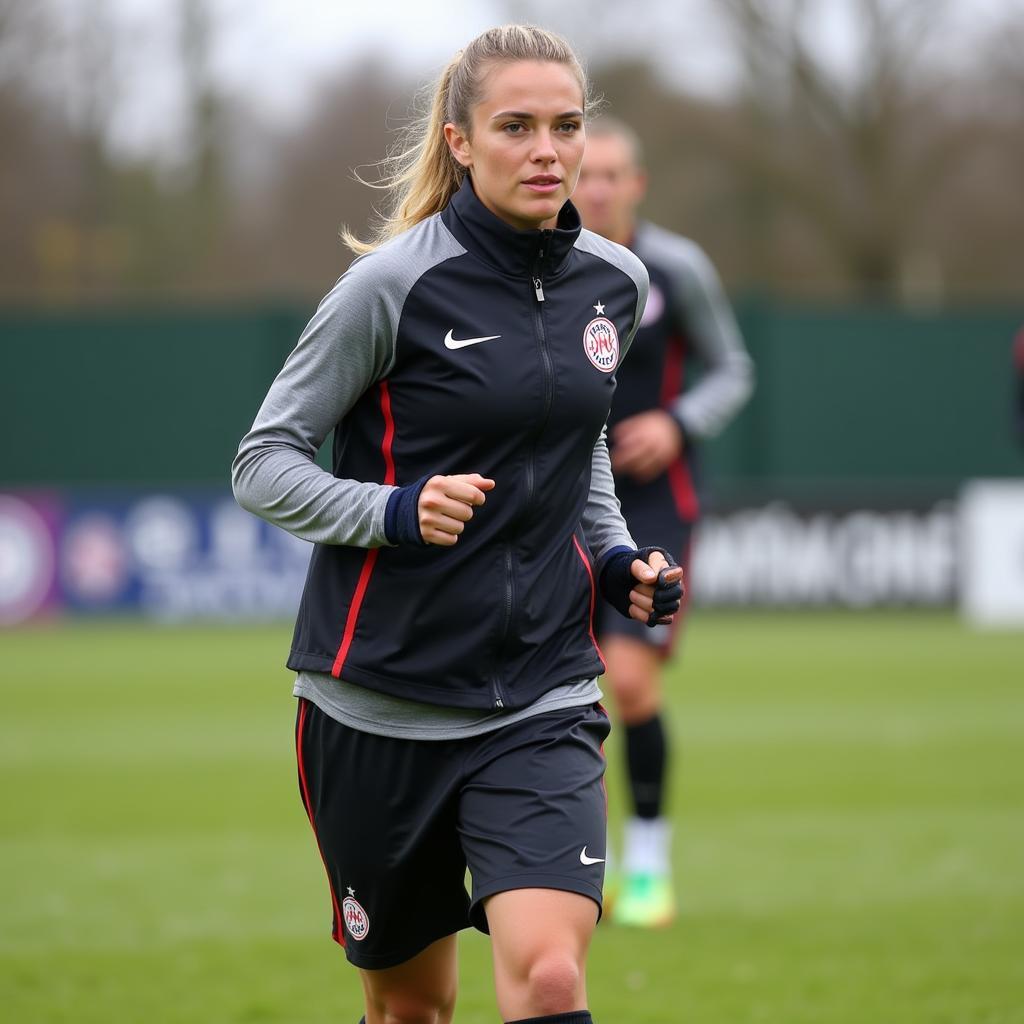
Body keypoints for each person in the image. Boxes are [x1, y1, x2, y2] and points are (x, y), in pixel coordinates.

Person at [232, 26, 683, 1024]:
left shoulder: (616, 283)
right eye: (514, 126)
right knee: (410, 1010)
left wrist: (613, 561)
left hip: (541, 695)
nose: (546, 150)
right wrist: (392, 511)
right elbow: (262, 462)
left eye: (565, 126)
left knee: (553, 978)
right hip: (377, 709)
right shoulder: (388, 288)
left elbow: (583, 445)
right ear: (461, 142)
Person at [573, 117, 755, 929]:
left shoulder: (676, 269)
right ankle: (576, 867)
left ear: (637, 184)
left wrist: (678, 421)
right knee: (563, 688)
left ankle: (647, 868)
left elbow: (733, 368)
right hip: (559, 501)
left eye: (613, 174)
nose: (599, 187)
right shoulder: (546, 265)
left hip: (652, 501)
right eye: (587, 173)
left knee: (632, 679)